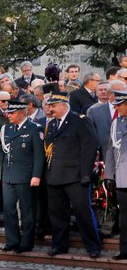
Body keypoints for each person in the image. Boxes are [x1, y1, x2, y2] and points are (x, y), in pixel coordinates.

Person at [43, 92, 101, 258]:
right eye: (50, 106)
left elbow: (90, 147)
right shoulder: (52, 124)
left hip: (76, 176)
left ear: (63, 105)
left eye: (53, 106)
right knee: (57, 214)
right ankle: (59, 245)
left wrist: (85, 173)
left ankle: (93, 246)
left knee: (83, 212)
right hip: (55, 176)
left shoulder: (80, 121)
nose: (50, 109)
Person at [0, 99, 44, 254]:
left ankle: (27, 242)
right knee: (8, 210)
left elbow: (39, 155)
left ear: (21, 113)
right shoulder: (6, 128)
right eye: (8, 112)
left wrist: (36, 175)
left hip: (26, 176)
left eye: (11, 113)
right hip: (8, 175)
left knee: (27, 211)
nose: (8, 115)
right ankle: (12, 240)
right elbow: (1, 153)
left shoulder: (34, 128)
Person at [104, 90, 127, 260]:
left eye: (120, 105)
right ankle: (124, 249)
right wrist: (108, 175)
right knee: (124, 218)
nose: (117, 108)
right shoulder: (116, 123)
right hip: (121, 177)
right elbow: (110, 150)